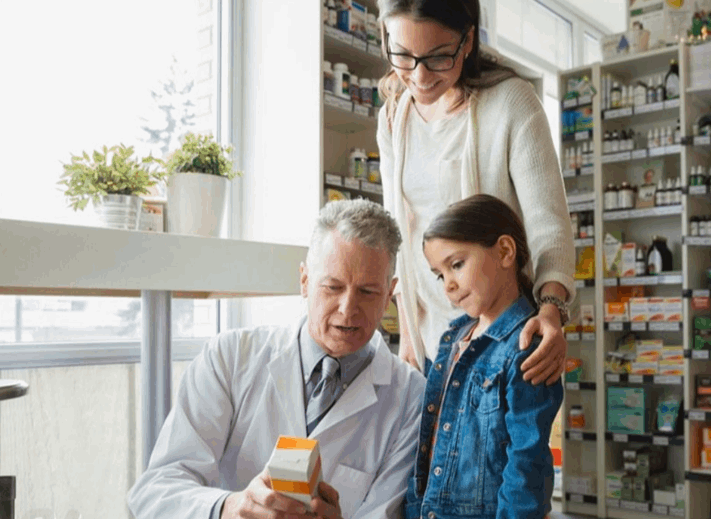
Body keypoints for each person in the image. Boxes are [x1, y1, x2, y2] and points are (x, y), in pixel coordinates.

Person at [127, 199, 426, 519]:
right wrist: (230, 508)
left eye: (367, 292)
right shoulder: (229, 358)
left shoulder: (412, 397)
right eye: (332, 287)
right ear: (305, 280)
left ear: (390, 293)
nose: (347, 308)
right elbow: (155, 491)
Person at [376, 0, 576, 384]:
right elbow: (399, 237)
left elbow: (548, 226)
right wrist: (406, 336)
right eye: (402, 55)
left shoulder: (512, 103)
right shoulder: (392, 119)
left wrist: (551, 311)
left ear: (467, 41)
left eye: (437, 57)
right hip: (429, 347)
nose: (418, 76)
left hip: (504, 345)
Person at [404, 194, 563, 518]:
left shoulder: (525, 345)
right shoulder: (453, 337)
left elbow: (526, 465)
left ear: (505, 251)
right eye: (440, 274)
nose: (448, 284)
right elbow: (430, 446)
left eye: (457, 264)